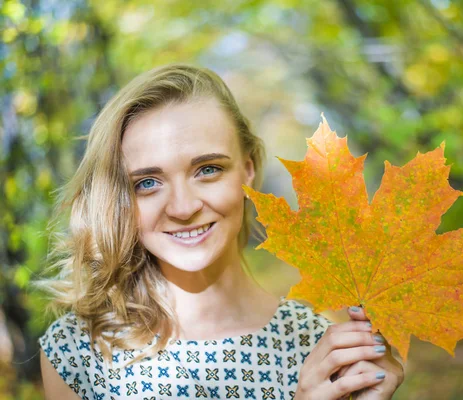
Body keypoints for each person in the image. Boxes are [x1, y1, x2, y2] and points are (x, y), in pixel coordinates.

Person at [36, 63, 404, 399]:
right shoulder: (78, 352)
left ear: (247, 171)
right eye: (147, 182)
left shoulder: (321, 349)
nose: (183, 207)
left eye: (208, 169)